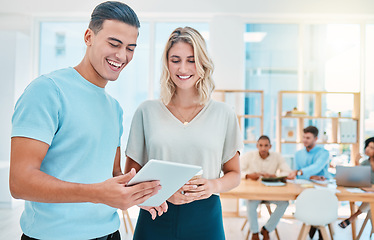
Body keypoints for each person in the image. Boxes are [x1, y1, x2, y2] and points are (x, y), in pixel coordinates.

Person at [9, 2, 165, 240]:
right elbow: (20, 182)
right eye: (114, 44)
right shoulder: (47, 91)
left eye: (130, 48)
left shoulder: (114, 109)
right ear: (88, 37)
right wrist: (96, 194)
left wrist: (139, 195)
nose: (122, 56)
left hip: (110, 234)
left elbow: (112, 174)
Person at [124, 26, 243, 240]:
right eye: (175, 59)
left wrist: (213, 185)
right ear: (167, 64)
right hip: (155, 215)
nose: (183, 68)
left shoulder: (223, 113)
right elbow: (131, 176)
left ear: (203, 63)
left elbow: (234, 174)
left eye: (191, 59)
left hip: (206, 219)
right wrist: (162, 193)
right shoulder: (146, 111)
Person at [241, 135, 292, 240]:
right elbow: (237, 171)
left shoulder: (277, 156)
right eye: (260, 145)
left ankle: (267, 229)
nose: (263, 148)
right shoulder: (249, 155)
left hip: (271, 193)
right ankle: (254, 233)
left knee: (285, 203)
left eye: (266, 145)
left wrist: (274, 176)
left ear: (270, 146)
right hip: (254, 193)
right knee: (250, 202)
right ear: (257, 146)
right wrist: (249, 175)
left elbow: (287, 172)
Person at [287, 125, 330, 239]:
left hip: (321, 187)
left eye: (308, 138)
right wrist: (308, 174)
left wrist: (302, 172)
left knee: (320, 200)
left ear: (315, 139)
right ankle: (315, 225)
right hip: (304, 186)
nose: (305, 140)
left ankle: (317, 227)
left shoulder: (324, 153)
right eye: (304, 137)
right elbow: (299, 174)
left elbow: (316, 167)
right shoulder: (298, 154)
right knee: (307, 198)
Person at [338, 137, 374, 229]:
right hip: (367, 191)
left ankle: (352, 217)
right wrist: (356, 162)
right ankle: (352, 218)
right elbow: (359, 177)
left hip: (371, 192)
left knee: (371, 200)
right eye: (368, 147)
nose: (367, 149)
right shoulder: (365, 162)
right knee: (370, 199)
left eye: (372, 148)